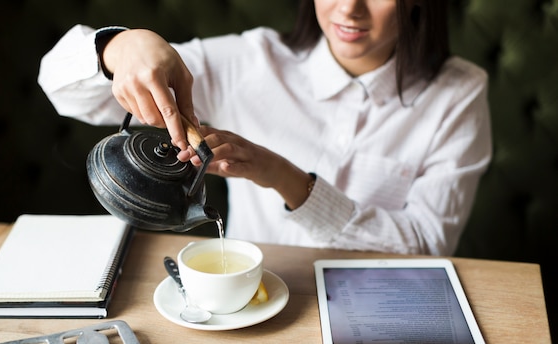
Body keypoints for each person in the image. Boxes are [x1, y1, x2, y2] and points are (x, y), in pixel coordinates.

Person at [38, 0, 492, 255]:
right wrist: (122, 46)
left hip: (381, 311)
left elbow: (427, 247)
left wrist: (282, 177)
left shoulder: (458, 93)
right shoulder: (252, 62)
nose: (350, 9)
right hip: (248, 304)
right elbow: (60, 86)